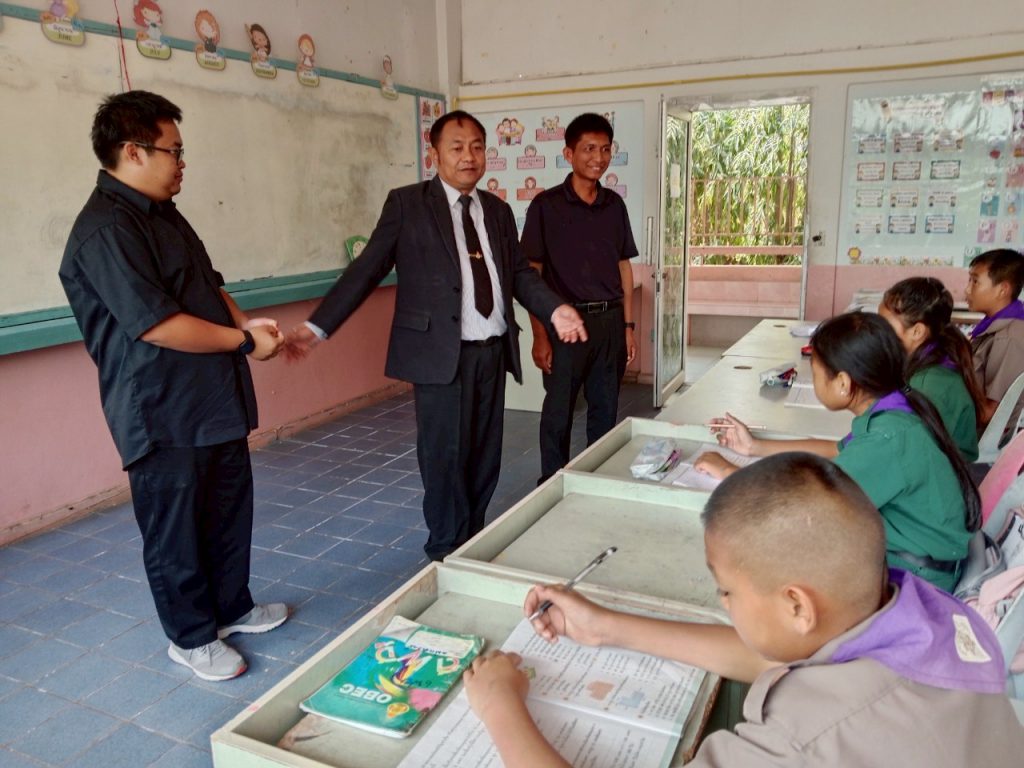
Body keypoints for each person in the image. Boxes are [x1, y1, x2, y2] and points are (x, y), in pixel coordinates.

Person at [463, 453, 1024, 767]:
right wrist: (605, 626)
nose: (721, 602)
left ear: (797, 604)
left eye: (727, 591)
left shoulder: (805, 744)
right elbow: (777, 658)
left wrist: (499, 705)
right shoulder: (924, 616)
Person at [283, 110, 587, 561]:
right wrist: (318, 325)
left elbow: (520, 275)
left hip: (491, 352)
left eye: (477, 147)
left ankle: (473, 539)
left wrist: (555, 308)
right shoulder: (408, 205)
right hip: (440, 356)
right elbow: (367, 269)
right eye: (457, 147)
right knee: (445, 456)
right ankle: (445, 548)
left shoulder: (498, 211)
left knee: (485, 456)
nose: (469, 157)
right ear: (435, 155)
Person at [59, 91, 288, 682]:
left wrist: (247, 325)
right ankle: (190, 637)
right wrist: (243, 343)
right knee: (174, 529)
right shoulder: (105, 229)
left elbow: (209, 285)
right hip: (159, 409)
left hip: (210, 398)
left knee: (228, 511)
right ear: (133, 151)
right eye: (174, 151)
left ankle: (231, 609)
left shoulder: (163, 212)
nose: (182, 163)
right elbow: (156, 324)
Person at [695, 312, 979, 591]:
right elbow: (835, 448)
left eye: (816, 373)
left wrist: (729, 472)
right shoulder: (895, 409)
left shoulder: (887, 439)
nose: (814, 380)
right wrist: (754, 447)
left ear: (843, 383)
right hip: (914, 555)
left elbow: (805, 507)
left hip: (916, 579)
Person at [520, 113, 638, 483]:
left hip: (609, 323)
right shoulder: (546, 206)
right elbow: (531, 273)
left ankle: (596, 480)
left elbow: (624, 267)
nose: (598, 158)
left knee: (605, 411)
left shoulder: (614, 205)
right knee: (558, 412)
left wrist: (628, 327)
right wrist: (539, 335)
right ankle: (552, 483)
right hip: (565, 326)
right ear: (569, 153)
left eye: (605, 149)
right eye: (588, 149)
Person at [879, 277, 984, 461]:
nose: (877, 332)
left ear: (917, 332)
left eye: (884, 326)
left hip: (943, 471)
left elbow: (912, 452)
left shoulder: (931, 383)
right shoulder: (926, 362)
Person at [965, 248, 1024, 426]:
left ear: (1002, 290)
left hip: (983, 436)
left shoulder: (1008, 338)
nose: (967, 290)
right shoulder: (992, 326)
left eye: (975, 282)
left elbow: (992, 413)